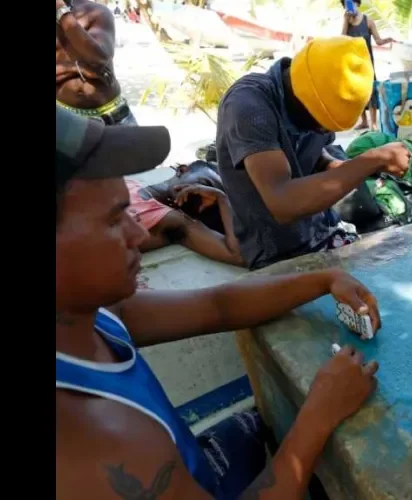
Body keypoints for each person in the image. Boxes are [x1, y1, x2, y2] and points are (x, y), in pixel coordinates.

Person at [56, 105, 383, 499]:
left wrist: (326, 279)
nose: (139, 235)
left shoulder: (93, 319)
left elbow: (217, 306)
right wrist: (320, 413)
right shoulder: (100, 447)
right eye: (113, 220)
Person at [215, 36, 411, 270]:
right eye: (321, 125)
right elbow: (283, 202)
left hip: (321, 231)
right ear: (301, 99)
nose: (324, 132)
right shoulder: (249, 107)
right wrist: (372, 160)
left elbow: (315, 154)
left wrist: (335, 168)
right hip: (278, 252)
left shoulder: (308, 101)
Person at [56, 0, 136, 125]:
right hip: (65, 118)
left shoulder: (96, 11)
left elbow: (99, 57)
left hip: (113, 115)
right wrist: (78, 69)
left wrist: (62, 12)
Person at [341, 0, 397, 131]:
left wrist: (388, 39)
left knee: (371, 92)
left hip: (367, 64)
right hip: (353, 64)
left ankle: (373, 124)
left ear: (357, 4)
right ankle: (364, 121)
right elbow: (342, 40)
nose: (349, 7)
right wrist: (345, 21)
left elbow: (378, 41)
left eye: (351, 3)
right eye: (346, 4)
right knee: (357, 94)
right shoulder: (347, 23)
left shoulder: (368, 21)